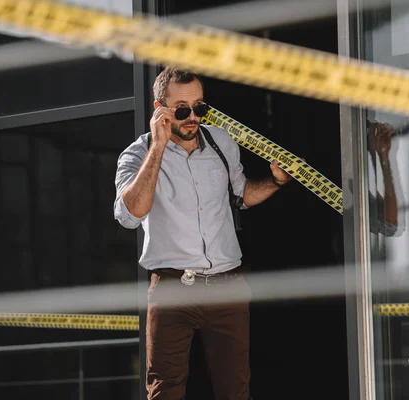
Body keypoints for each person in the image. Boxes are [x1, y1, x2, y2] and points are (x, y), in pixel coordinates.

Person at [114, 66, 292, 400]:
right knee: (164, 390)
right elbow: (130, 214)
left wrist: (276, 181)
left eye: (200, 107)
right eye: (182, 109)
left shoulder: (221, 142)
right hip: (172, 288)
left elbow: (241, 195)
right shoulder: (137, 154)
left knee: (235, 390)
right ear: (160, 110)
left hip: (228, 286)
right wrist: (158, 147)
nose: (193, 116)